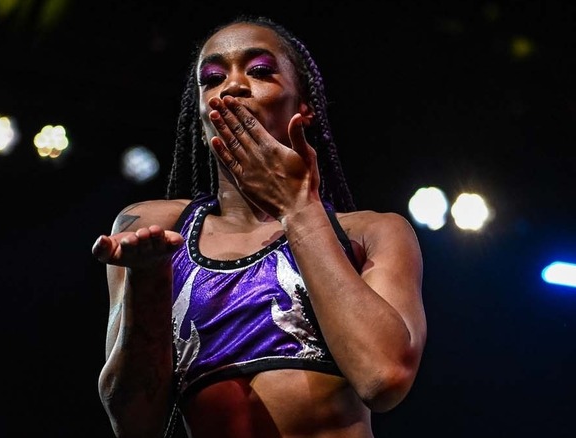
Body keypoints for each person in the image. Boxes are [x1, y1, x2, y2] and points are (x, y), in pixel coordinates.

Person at [91, 14, 427, 438]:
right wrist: (148, 281)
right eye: (212, 79)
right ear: (200, 118)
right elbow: (133, 424)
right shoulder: (156, 227)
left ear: (304, 106)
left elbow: (384, 377)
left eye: (261, 71)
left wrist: (298, 209)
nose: (232, 86)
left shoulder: (372, 233)